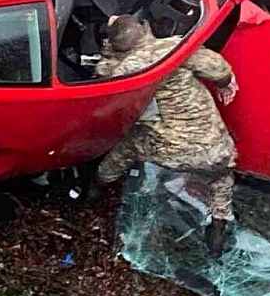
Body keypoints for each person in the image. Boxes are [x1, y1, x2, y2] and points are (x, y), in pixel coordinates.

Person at [95, 15, 239, 255]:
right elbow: (217, 67)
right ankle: (219, 219)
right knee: (221, 172)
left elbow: (101, 77)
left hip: (171, 149)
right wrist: (225, 82)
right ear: (147, 27)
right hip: (215, 147)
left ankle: (98, 183)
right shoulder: (173, 48)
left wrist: (109, 48)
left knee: (128, 146)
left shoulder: (120, 69)